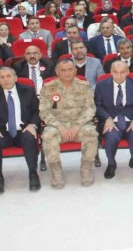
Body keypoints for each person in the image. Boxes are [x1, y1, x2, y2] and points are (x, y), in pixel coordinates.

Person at [39, 59, 99, 188]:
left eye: (70, 70)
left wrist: (77, 126)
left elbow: (90, 109)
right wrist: (60, 127)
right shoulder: (48, 88)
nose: (67, 73)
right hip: (57, 126)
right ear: (57, 71)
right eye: (63, 70)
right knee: (48, 135)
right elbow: (44, 111)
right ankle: (56, 172)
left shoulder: (84, 86)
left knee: (91, 133)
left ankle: (86, 169)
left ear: (75, 71)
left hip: (80, 125)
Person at [0, 67, 41, 194]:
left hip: (23, 128)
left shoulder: (28, 90)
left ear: (15, 78)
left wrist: (33, 125)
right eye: (2, 77)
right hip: (2, 130)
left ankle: (33, 173)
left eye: (8, 76)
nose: (6, 79)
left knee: (29, 138)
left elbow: (37, 111)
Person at [95, 60, 133, 179]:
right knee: (111, 137)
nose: (119, 76)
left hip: (132, 120)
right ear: (111, 72)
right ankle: (111, 164)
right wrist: (107, 118)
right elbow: (97, 106)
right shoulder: (101, 85)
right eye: (116, 72)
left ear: (127, 72)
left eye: (122, 72)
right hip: (111, 120)